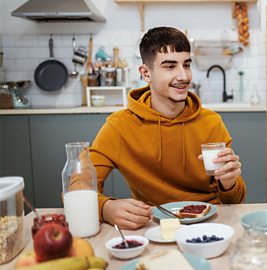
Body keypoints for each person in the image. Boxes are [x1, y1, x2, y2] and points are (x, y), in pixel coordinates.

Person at [90, 27, 246, 229]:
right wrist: (104, 208)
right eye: (170, 66)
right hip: (154, 227)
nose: (183, 76)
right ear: (146, 73)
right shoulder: (119, 126)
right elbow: (78, 187)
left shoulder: (211, 122)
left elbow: (236, 202)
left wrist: (230, 183)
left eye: (186, 65)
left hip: (211, 223)